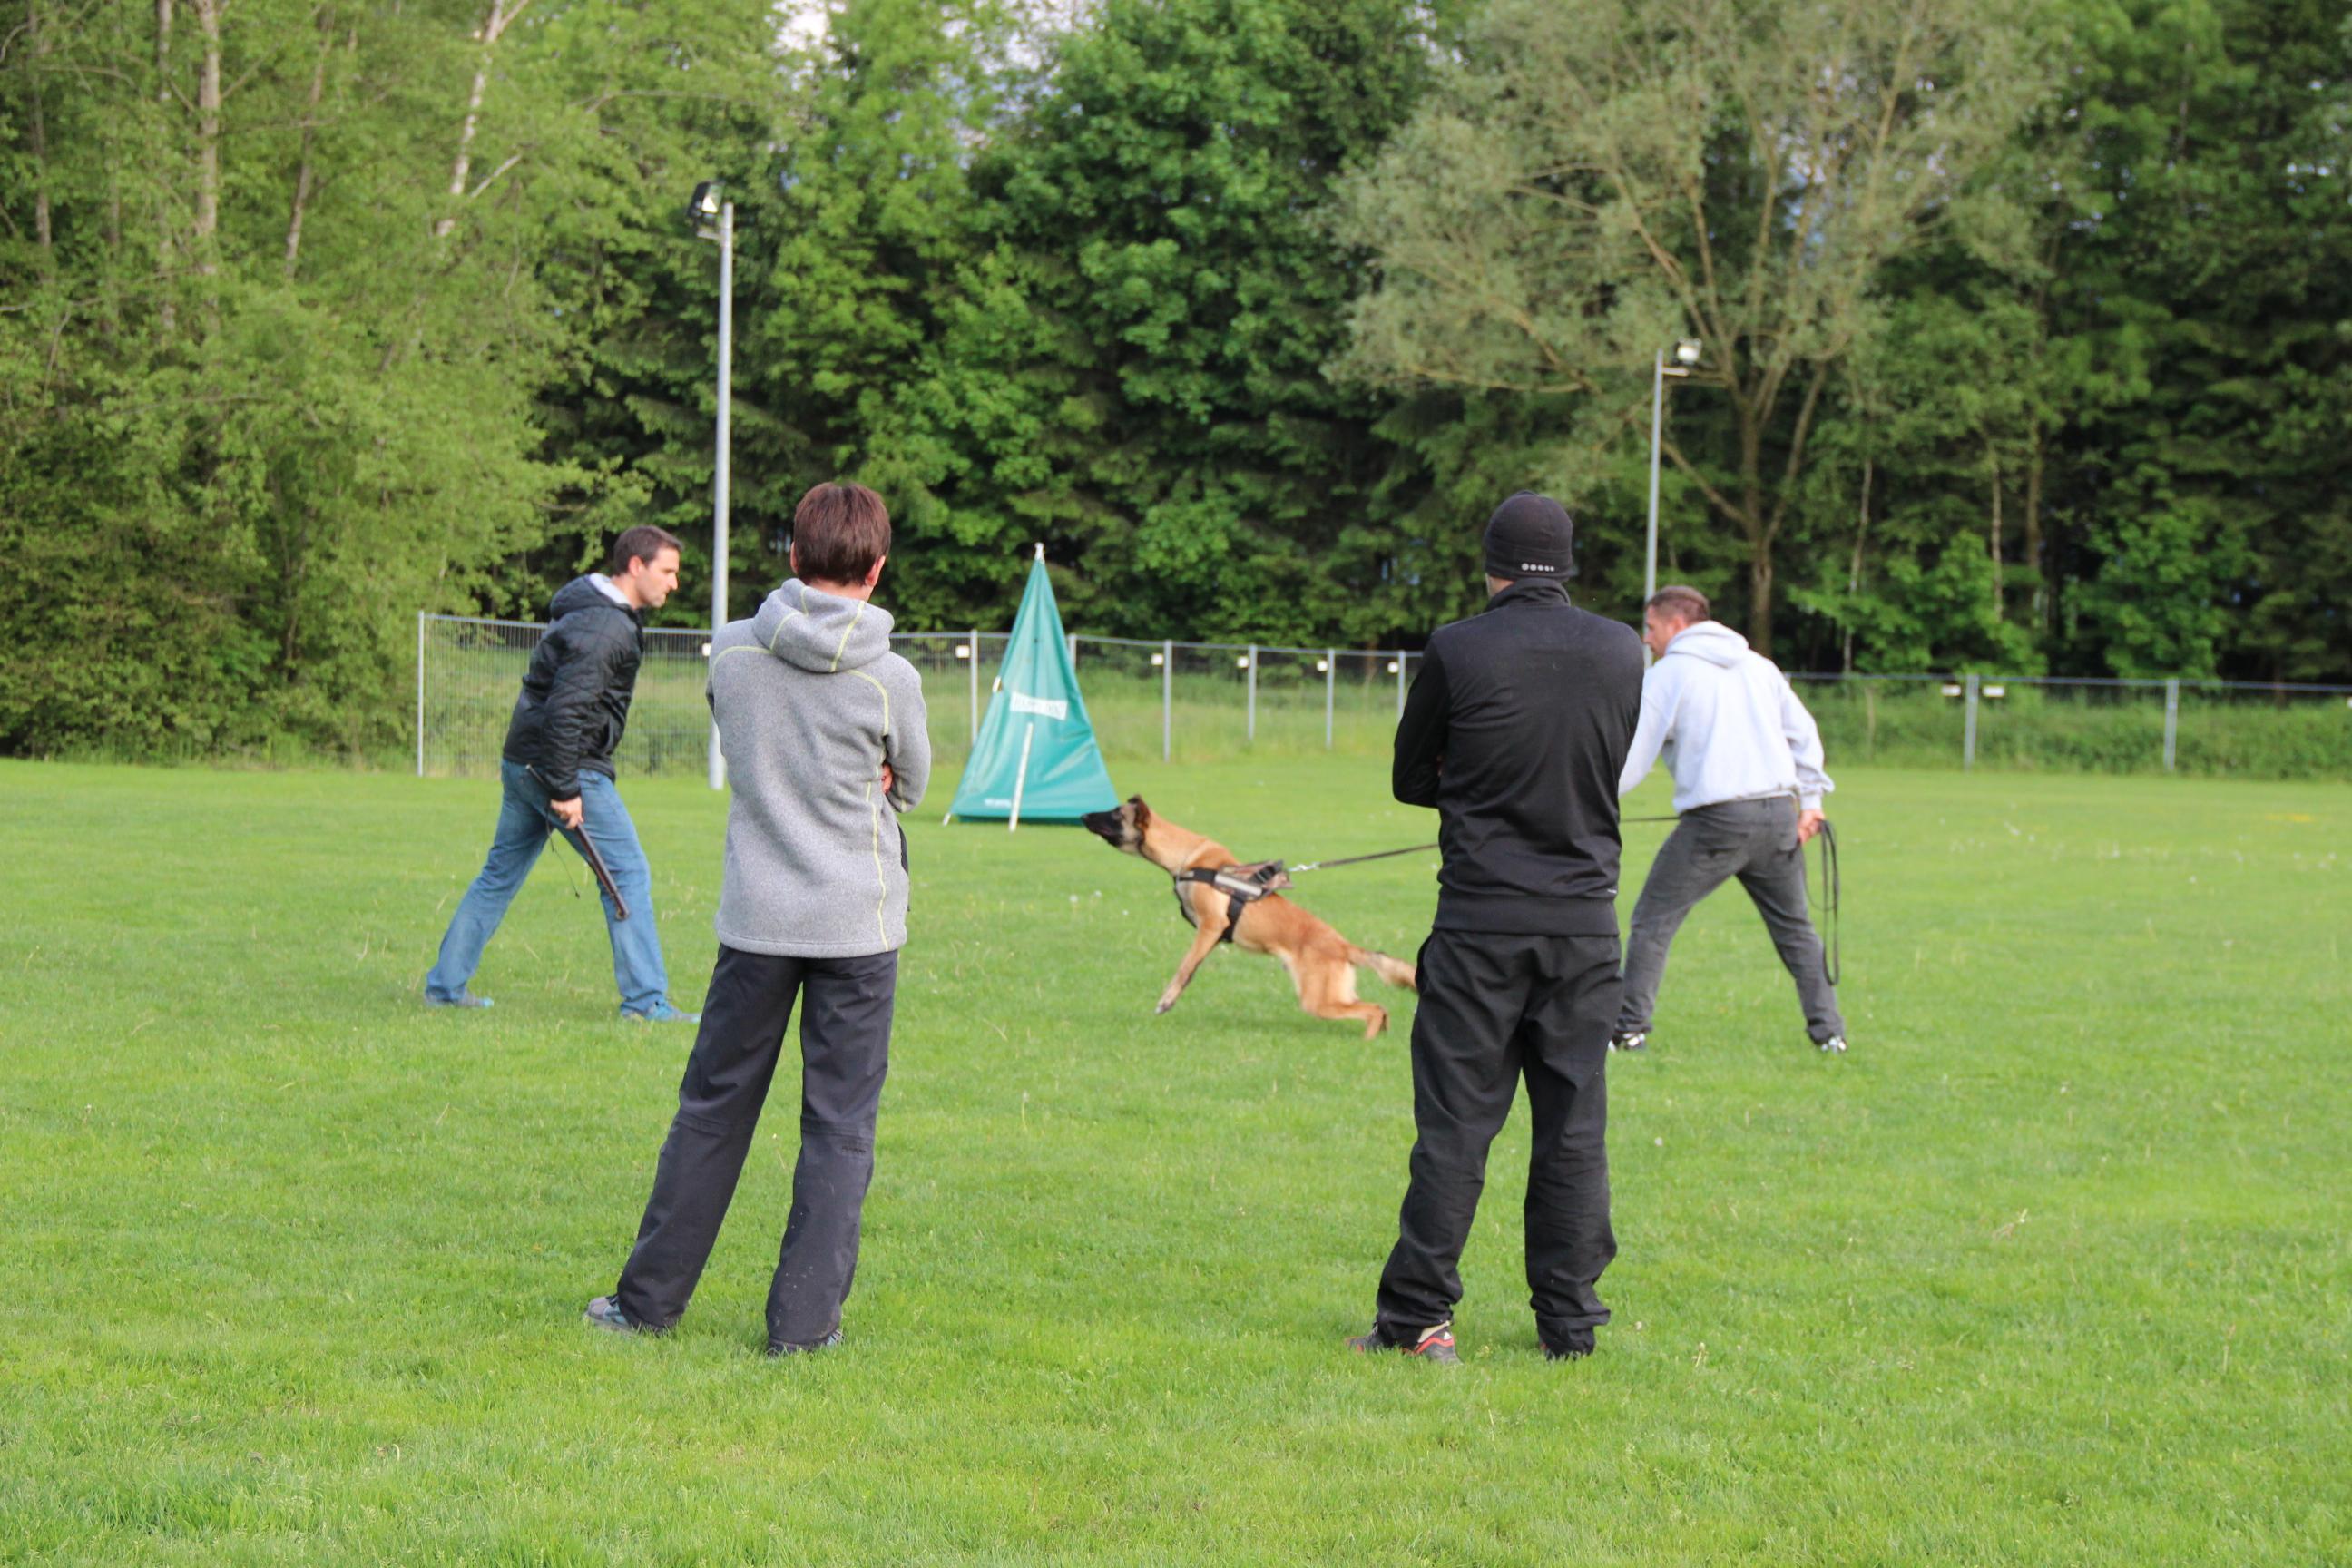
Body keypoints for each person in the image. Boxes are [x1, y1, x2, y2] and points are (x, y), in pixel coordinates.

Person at [585, 481, 931, 1357]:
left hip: (757, 920)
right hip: (859, 924)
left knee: (711, 1110)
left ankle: (647, 1304)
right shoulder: (892, 679)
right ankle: (804, 1329)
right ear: (879, 567)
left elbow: (743, 736)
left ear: (792, 557)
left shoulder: (733, 653)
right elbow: (913, 786)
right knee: (840, 1126)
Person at [1355, 492, 1645, 1366]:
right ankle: (1570, 1325)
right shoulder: (1623, 648)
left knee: (1455, 1126)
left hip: (1481, 925)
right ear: (1569, 566)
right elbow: (1601, 760)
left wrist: (1473, 780)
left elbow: (1412, 776)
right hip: (1586, 931)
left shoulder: (1458, 646)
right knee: (1573, 1128)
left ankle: (1418, 1322)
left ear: (1493, 566)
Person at [424, 525, 698, 1023]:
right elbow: (566, 712)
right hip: (564, 769)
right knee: (627, 874)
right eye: (667, 571)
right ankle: (645, 1002)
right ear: (636, 566)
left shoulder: (591, 610)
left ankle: (445, 988)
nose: (674, 584)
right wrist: (567, 788)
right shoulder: (605, 629)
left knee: (498, 876)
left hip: (522, 761)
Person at [1612, 584, 1847, 1054]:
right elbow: (1804, 734)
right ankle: (1830, 1033)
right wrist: (1812, 803)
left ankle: (1629, 1028)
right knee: (1796, 931)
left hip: (1717, 824)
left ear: (1676, 623)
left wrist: (1593, 798)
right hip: (1779, 815)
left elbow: (1635, 755)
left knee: (1653, 921)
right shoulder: (1760, 666)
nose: (1647, 638)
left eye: (1651, 627)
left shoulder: (1668, 674)